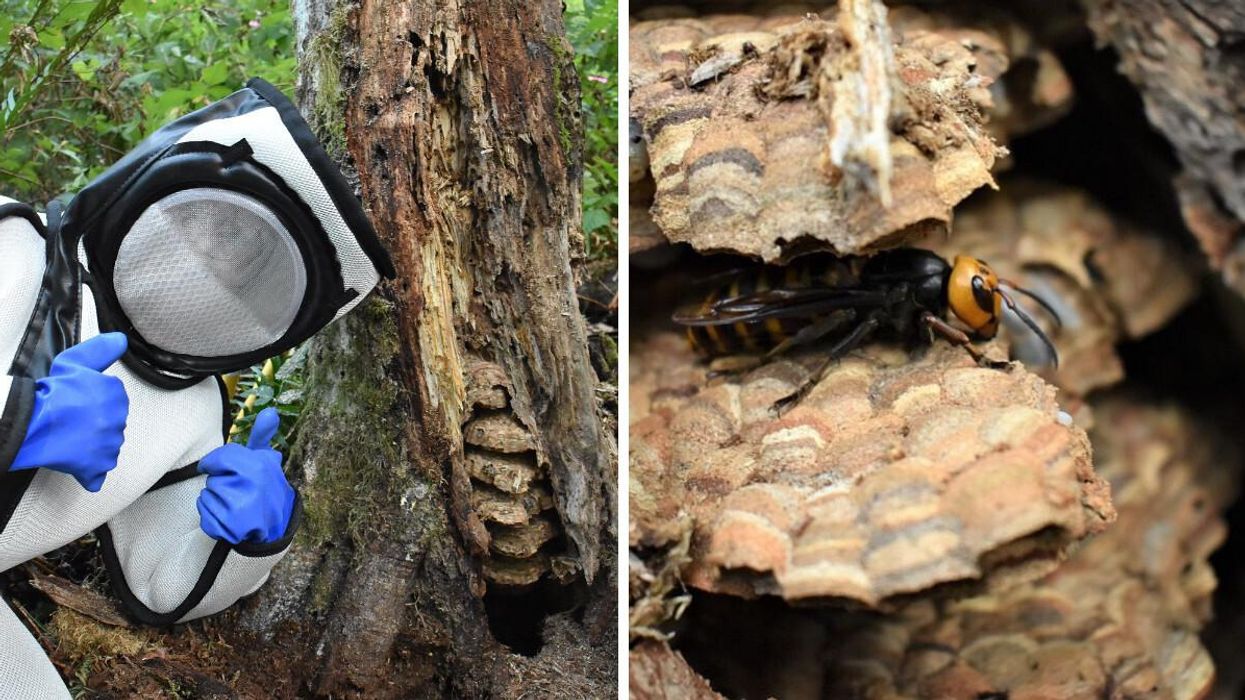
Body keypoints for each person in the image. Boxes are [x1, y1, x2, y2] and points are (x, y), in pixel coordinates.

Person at [0, 78, 394, 697]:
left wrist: (247, 539)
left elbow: (166, 581)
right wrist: (12, 423)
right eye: (218, 228)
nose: (217, 262)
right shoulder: (8, 246)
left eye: (255, 266)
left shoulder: (187, 413)